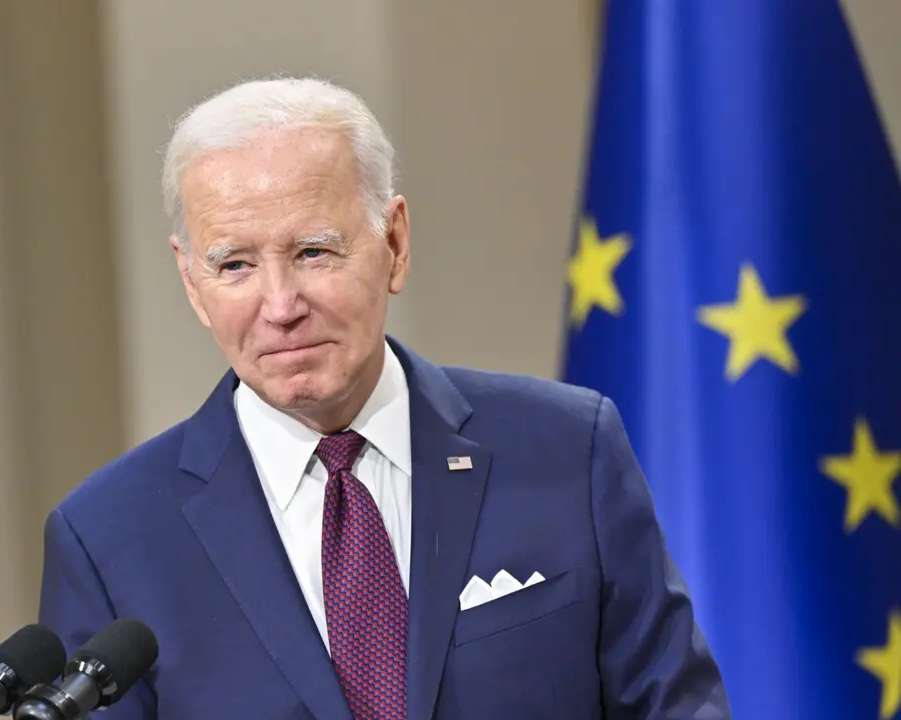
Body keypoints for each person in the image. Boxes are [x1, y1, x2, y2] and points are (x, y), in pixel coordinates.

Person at [38, 76, 730, 719]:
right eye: (235, 265)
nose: (280, 306)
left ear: (394, 242)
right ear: (192, 283)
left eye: (313, 252)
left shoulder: (566, 450)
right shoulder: (109, 539)